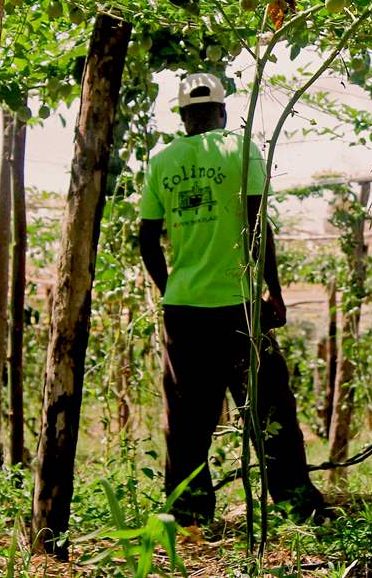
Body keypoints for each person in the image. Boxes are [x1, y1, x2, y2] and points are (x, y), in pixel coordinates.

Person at [138, 72, 327, 526]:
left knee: (187, 420)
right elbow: (258, 224)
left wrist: (171, 289)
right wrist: (273, 291)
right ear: (222, 111)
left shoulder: (161, 161)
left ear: (183, 117)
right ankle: (297, 503)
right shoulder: (241, 150)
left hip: (185, 314)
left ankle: (188, 515)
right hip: (240, 307)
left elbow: (147, 238)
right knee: (270, 410)